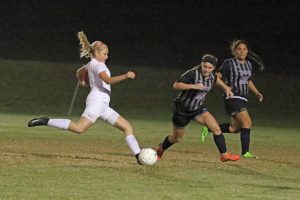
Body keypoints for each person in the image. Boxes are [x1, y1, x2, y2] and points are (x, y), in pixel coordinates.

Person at [28, 31, 142, 164]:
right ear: (97, 53)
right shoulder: (98, 65)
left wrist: (82, 80)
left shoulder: (92, 63)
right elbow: (108, 80)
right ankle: (46, 120)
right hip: (97, 101)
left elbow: (79, 72)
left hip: (102, 104)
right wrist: (125, 76)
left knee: (127, 127)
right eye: (105, 54)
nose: (107, 56)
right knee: (79, 128)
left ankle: (139, 156)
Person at [156, 54, 240, 162]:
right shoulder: (192, 74)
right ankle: (161, 148)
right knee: (176, 138)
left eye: (210, 68)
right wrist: (193, 86)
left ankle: (224, 155)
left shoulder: (212, 76)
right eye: (204, 66)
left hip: (198, 109)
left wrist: (226, 89)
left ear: (213, 68)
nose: (206, 69)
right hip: (182, 110)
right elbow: (176, 85)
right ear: (201, 64)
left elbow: (216, 80)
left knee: (216, 128)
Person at [201, 39, 265, 159]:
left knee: (235, 129)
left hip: (243, 98)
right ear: (234, 51)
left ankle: (209, 128)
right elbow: (216, 77)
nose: (242, 51)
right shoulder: (229, 63)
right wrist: (226, 87)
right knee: (247, 122)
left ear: (247, 51)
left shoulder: (249, 64)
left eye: (244, 49)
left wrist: (257, 92)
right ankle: (245, 152)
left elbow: (248, 80)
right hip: (233, 97)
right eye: (239, 49)